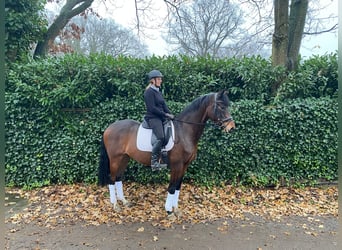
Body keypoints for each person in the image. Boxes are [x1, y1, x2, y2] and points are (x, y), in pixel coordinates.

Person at [144, 70, 175, 171]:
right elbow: (152, 108)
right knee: (160, 137)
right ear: (153, 80)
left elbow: (164, 106)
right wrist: (165, 114)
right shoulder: (149, 92)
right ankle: (154, 162)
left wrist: (171, 115)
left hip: (161, 117)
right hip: (153, 118)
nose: (161, 80)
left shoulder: (158, 92)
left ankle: (165, 156)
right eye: (159, 79)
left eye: (161, 79)